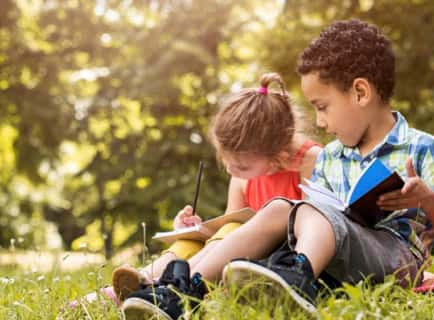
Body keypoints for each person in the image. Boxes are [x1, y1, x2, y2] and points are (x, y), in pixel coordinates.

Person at [216, 19, 434, 313]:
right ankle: (179, 282)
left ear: (360, 92)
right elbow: (309, 222)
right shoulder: (330, 157)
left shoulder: (424, 148)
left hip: (397, 259)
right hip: (343, 254)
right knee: (280, 209)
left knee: (313, 215)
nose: (320, 122)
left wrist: (427, 199)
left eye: (322, 107)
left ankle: (298, 279)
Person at [71, 72, 321, 311]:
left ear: (278, 154)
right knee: (190, 239)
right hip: (236, 252)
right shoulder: (243, 177)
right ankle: (141, 281)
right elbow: (230, 226)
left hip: (276, 260)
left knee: (229, 233)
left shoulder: (309, 162)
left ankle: (164, 288)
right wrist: (197, 229)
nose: (233, 170)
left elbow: (317, 228)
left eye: (242, 165)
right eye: (226, 162)